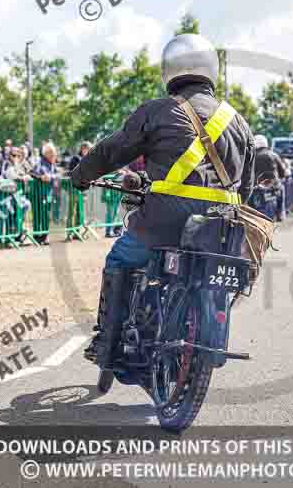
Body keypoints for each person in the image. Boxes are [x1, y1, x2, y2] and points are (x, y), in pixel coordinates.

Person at [71, 33, 255, 371]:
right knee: (219, 274)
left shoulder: (158, 110)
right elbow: (248, 186)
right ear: (211, 69)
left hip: (165, 221)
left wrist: (81, 175)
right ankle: (211, 339)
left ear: (168, 69)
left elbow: (113, 150)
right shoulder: (238, 122)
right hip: (221, 226)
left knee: (120, 258)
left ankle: (107, 344)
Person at [249, 134, 286, 219]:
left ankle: (250, 212)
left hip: (258, 186)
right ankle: (280, 212)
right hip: (273, 185)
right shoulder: (274, 155)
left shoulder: (252, 157)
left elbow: (248, 172)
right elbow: (282, 172)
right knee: (282, 189)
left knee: (251, 202)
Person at [30, 142, 59, 245]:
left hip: (48, 194)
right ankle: (37, 236)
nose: (54, 155)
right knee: (38, 215)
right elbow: (32, 172)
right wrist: (41, 177)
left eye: (54, 153)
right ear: (46, 153)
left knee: (46, 215)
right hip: (38, 194)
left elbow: (58, 174)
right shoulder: (40, 163)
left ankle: (45, 236)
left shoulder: (53, 164)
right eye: (51, 153)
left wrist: (52, 177)